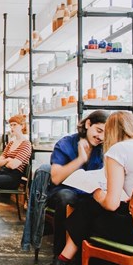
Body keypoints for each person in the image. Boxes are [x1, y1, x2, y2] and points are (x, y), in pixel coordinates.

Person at [34, 111, 133, 265]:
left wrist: (96, 192)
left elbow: (111, 204)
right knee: (94, 211)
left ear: (111, 132)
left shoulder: (118, 151)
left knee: (92, 213)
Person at [47, 110, 108, 256]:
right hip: (64, 191)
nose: (101, 137)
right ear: (88, 124)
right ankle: (60, 258)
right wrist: (80, 159)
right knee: (66, 197)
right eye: (98, 130)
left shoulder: (104, 149)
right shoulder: (65, 144)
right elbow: (55, 178)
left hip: (92, 193)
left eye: (106, 134)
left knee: (104, 203)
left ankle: (96, 264)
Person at [0, 114, 32, 221]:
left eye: (14, 125)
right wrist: (8, 160)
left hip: (14, 177)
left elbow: (14, 165)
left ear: (22, 126)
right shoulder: (11, 143)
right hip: (3, 171)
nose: (12, 128)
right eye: (10, 125)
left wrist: (7, 161)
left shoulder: (26, 144)